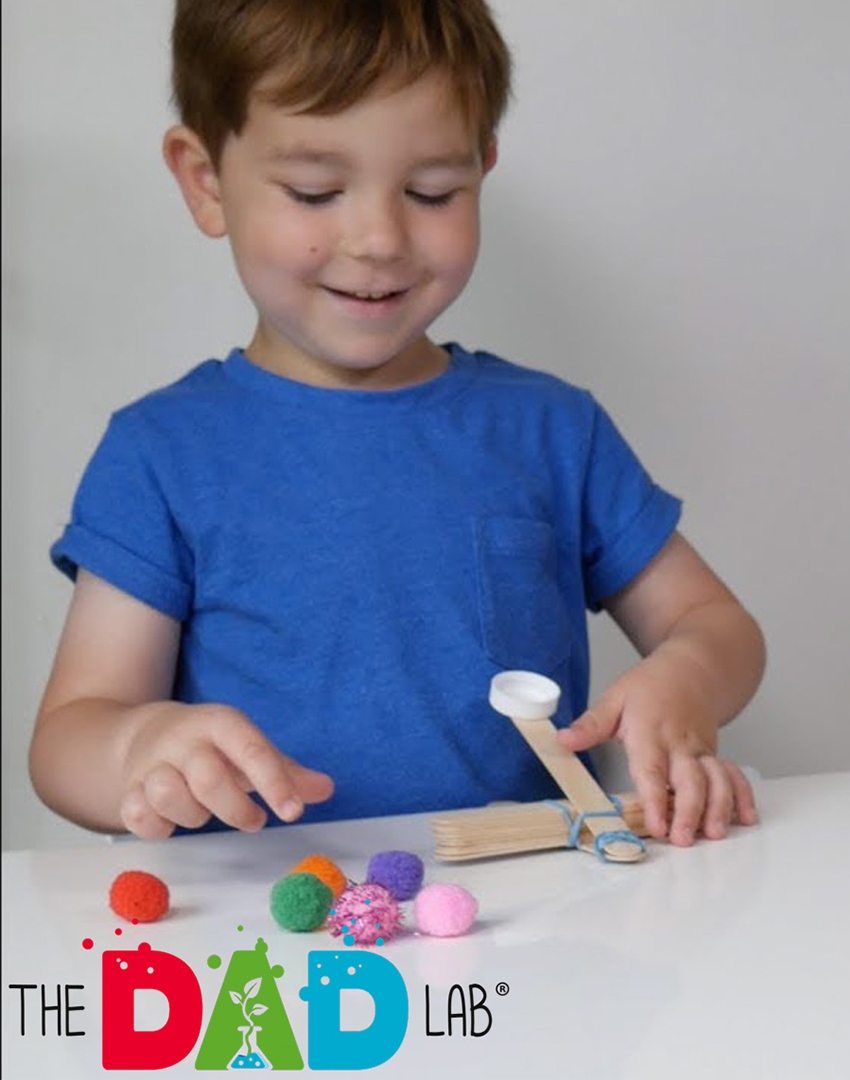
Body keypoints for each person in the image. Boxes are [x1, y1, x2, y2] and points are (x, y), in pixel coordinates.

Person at [30, 0, 765, 850]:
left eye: (432, 192)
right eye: (315, 191)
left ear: (482, 169)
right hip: (273, 935)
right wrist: (138, 747)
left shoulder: (551, 428)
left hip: (532, 920)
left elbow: (718, 625)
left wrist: (687, 677)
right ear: (205, 181)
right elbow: (68, 738)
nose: (379, 238)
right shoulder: (160, 454)